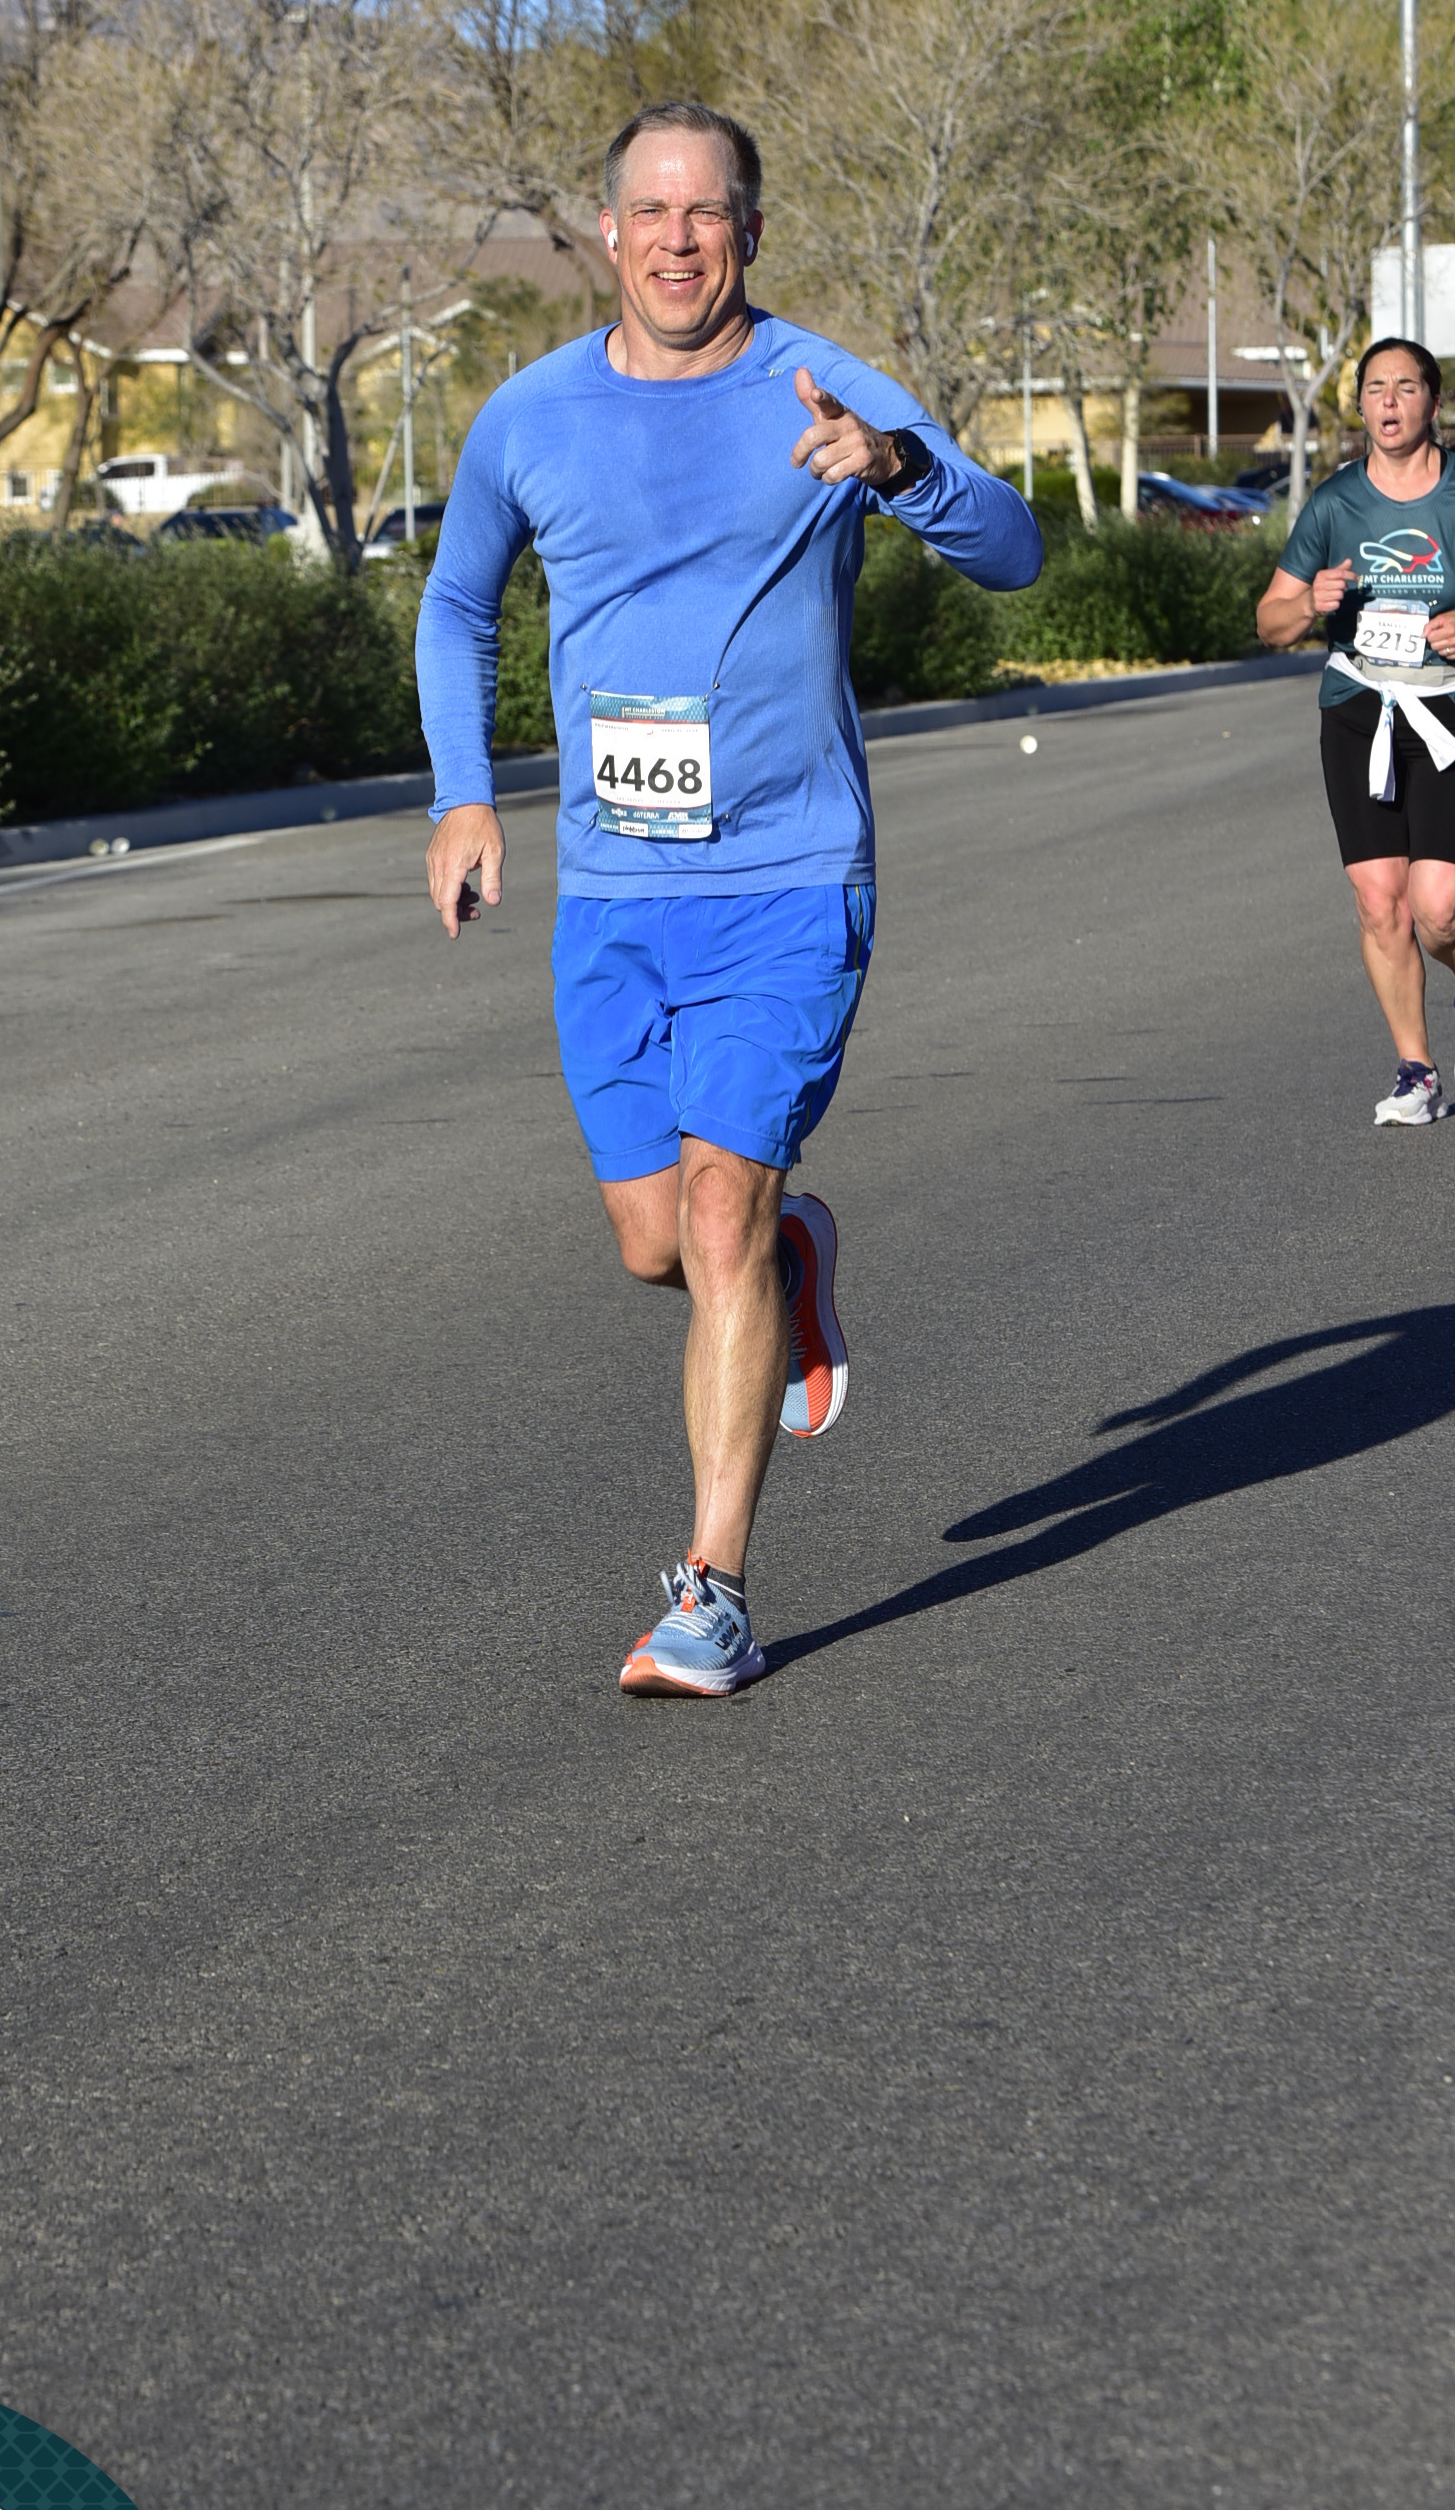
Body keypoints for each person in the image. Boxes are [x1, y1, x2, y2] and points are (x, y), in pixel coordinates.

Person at [416, 99, 1042, 1695]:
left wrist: (902, 468)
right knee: (656, 1245)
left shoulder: (820, 385)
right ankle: (791, 1262)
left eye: (709, 212)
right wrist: (465, 792)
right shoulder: (531, 415)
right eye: (653, 210)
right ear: (608, 231)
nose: (679, 239)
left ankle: (713, 1591)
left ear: (750, 231)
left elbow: (1015, 550)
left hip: (787, 876)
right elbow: (457, 602)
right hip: (614, 895)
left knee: (715, 1213)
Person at [1256, 337, 1455, 1124]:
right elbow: (1270, 621)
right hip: (1360, 706)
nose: (1388, 401)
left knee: (1439, 910)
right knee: (1378, 900)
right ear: (1360, 405)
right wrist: (1309, 604)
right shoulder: (1333, 503)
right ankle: (1416, 1072)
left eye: (1405, 386)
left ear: (1433, 401)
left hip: (1454, 708)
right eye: (1374, 389)